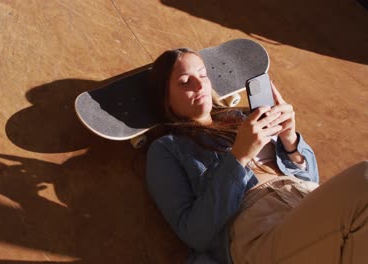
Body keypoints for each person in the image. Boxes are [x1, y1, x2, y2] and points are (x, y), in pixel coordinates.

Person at [145, 47, 368, 264]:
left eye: (203, 74)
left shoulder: (241, 118)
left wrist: (289, 138)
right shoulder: (167, 149)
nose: (199, 84)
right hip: (260, 229)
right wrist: (238, 158)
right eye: (184, 81)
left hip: (304, 199)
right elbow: (194, 233)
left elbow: (311, 179)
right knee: (364, 178)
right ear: (165, 97)